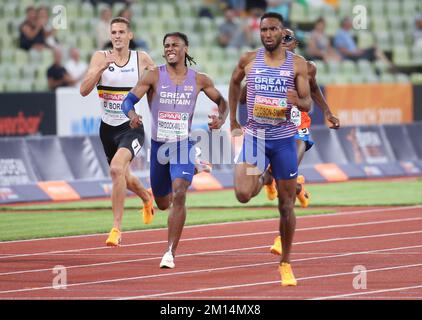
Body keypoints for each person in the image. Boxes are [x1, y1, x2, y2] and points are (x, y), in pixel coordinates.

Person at [121, 32, 228, 269]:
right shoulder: (153, 76)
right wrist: (132, 115)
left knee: (179, 193)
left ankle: (169, 252)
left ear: (185, 49)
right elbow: (127, 101)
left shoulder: (200, 79)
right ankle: (195, 167)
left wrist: (221, 119)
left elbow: (223, 102)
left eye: (175, 45)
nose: (170, 49)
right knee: (162, 202)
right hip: (160, 147)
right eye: (166, 45)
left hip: (183, 145)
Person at [239, 27, 340, 259]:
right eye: (279, 37)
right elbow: (244, 97)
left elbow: (314, 91)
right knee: (276, 178)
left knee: (282, 180)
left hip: (297, 130)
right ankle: (295, 186)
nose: (282, 41)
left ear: (295, 44)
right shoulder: (262, 65)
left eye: (287, 38)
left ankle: (281, 240)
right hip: (270, 130)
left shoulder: (305, 67)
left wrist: (328, 113)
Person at [229, 12, 311, 286]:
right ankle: (266, 178)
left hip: (284, 141)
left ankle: (285, 262)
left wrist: (296, 99)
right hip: (255, 139)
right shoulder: (249, 60)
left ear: (281, 32)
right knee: (242, 193)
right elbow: (234, 82)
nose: (267, 34)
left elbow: (308, 103)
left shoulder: (297, 65)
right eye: (263, 30)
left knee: (286, 206)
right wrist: (233, 120)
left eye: (273, 29)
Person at [80, 17, 155, 246]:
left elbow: (157, 87)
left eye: (122, 32)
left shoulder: (141, 59)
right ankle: (146, 196)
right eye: (114, 32)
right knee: (123, 175)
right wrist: (102, 67)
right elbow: (84, 90)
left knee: (115, 169)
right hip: (107, 129)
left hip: (131, 127)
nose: (117, 36)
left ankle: (116, 229)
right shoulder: (99, 57)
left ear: (130, 35)